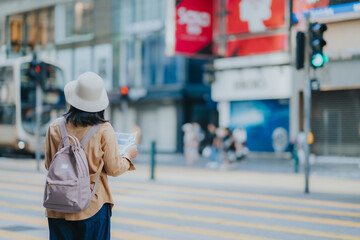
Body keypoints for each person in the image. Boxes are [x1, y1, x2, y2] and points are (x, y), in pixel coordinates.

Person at [44, 72, 137, 240]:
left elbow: (50, 165)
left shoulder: (54, 127)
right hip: (92, 206)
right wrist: (128, 156)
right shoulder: (103, 130)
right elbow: (114, 168)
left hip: (58, 206)